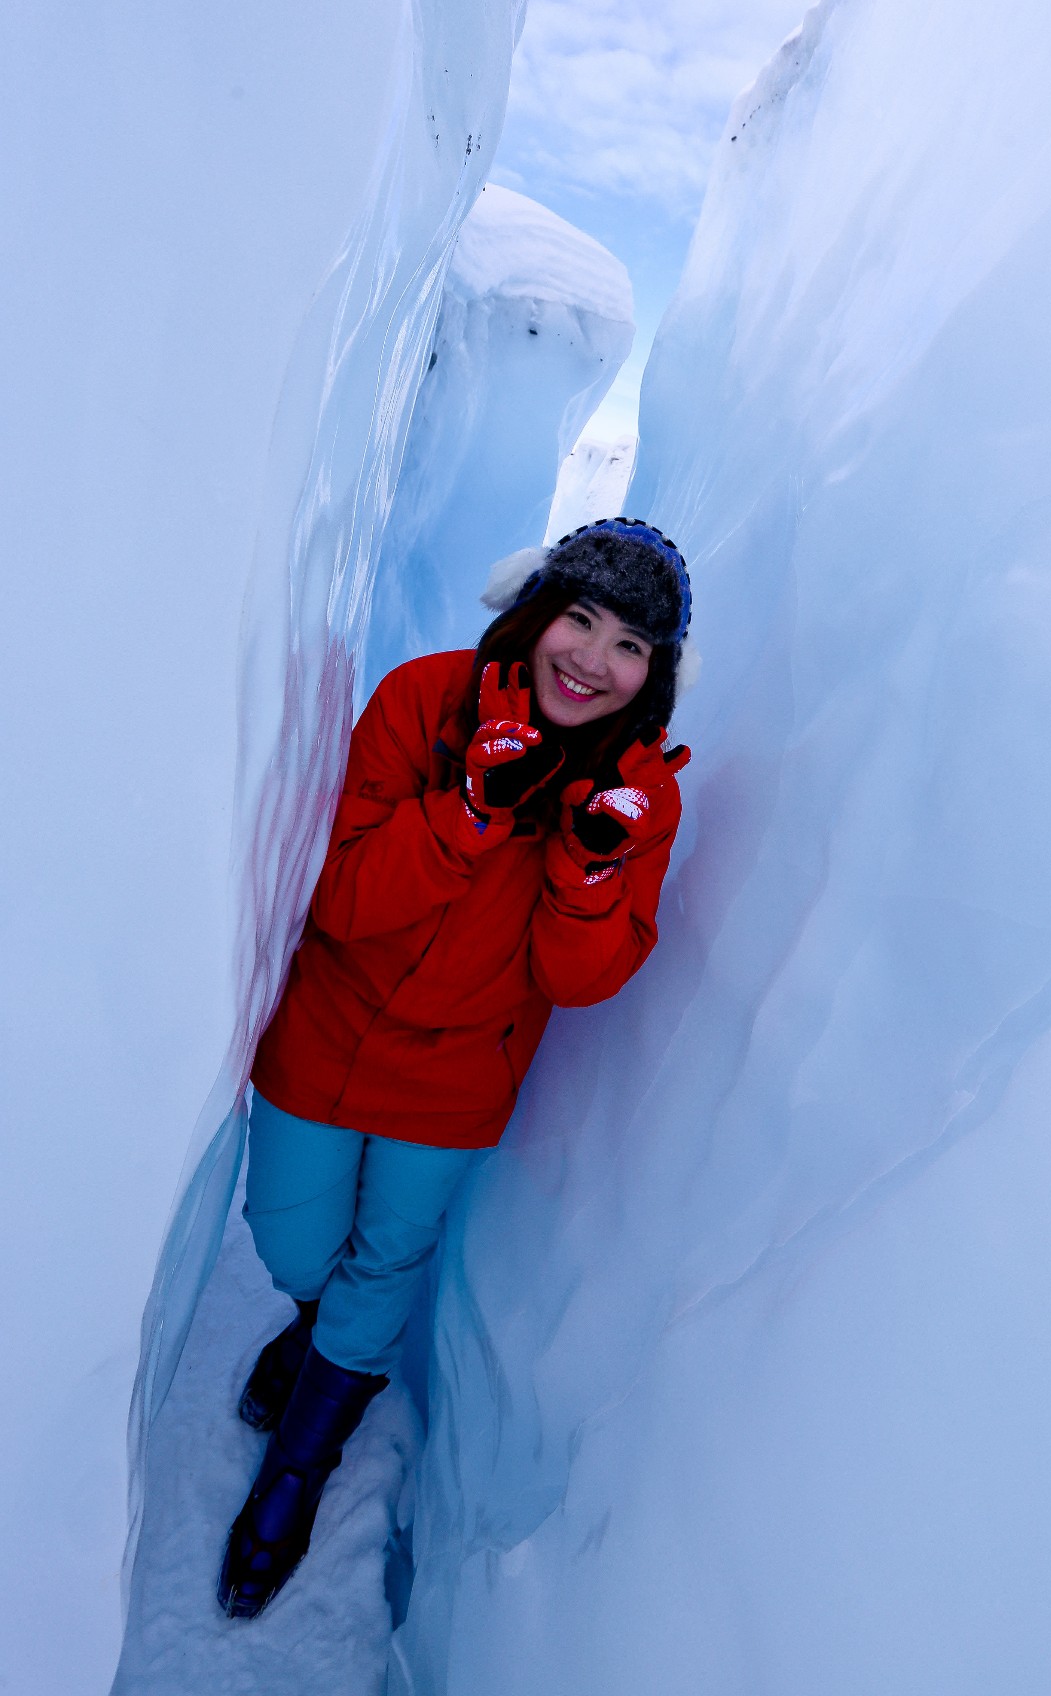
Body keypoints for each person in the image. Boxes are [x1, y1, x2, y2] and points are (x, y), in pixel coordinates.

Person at [217, 517, 694, 1619]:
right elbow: (337, 896)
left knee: (387, 1262)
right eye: (579, 616)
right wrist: (473, 810)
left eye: (631, 644)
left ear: (656, 672)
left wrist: (585, 865)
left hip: (455, 1086)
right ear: (534, 608)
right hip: (326, 1037)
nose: (592, 657)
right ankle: (314, 1327)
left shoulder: (641, 795)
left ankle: (300, 1462)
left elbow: (580, 978)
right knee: (289, 1232)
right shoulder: (425, 700)